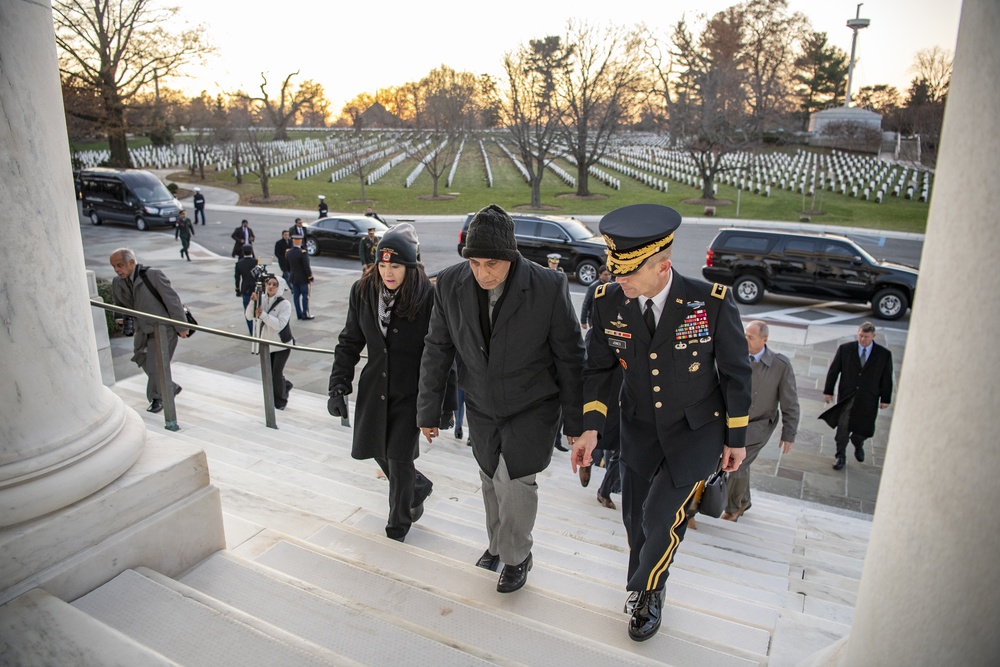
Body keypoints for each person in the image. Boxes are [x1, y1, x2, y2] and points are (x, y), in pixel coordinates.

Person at [572, 203, 751, 642]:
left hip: (696, 431)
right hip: (638, 428)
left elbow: (735, 373)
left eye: (628, 273)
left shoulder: (708, 305)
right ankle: (647, 582)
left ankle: (647, 594)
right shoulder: (607, 303)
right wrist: (591, 428)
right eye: (615, 270)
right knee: (636, 522)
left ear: (662, 266)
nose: (618, 280)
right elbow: (598, 369)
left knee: (659, 516)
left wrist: (737, 439)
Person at [416, 204, 585, 595]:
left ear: (510, 256)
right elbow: (436, 349)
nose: (483, 273)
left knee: (516, 479)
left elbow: (571, 357)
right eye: (474, 263)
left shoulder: (548, 286)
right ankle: (496, 545)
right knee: (491, 477)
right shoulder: (451, 285)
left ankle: (516, 556)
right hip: (481, 403)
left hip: (534, 403)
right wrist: (429, 410)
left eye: (491, 263)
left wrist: (576, 424)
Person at [327, 224, 441, 542]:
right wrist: (338, 385)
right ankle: (418, 488)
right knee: (377, 449)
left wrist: (438, 407)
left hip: (411, 392)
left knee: (400, 459)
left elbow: (440, 353)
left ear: (410, 265)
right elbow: (349, 341)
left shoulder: (427, 296)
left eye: (396, 266)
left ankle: (397, 526)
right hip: (375, 387)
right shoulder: (363, 292)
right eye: (383, 264)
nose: (388, 273)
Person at [724, 320, 799, 521]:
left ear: (764, 340)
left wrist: (788, 434)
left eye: (750, 337)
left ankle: (733, 509)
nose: (745, 339)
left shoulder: (780, 365)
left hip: (758, 426)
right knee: (739, 462)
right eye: (745, 335)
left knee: (737, 463)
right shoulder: (734, 355)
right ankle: (744, 500)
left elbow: (790, 402)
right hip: (732, 422)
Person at [109, 248, 190, 413]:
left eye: (120, 265)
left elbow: (172, 300)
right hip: (142, 329)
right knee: (141, 359)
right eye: (114, 266)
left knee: (156, 366)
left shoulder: (153, 275)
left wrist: (181, 327)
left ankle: (157, 398)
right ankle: (171, 386)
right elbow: (119, 304)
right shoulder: (118, 282)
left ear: (131, 262)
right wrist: (120, 318)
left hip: (163, 329)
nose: (117, 270)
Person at [822, 322, 893, 471]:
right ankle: (840, 456)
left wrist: (885, 398)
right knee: (842, 428)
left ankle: (857, 441)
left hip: (868, 398)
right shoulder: (845, 349)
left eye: (866, 337)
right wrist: (828, 391)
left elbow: (886, 377)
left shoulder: (883, 355)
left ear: (873, 336)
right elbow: (834, 371)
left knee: (865, 428)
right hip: (847, 397)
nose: (862, 339)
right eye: (860, 336)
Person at [247, 274, 294, 410]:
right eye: (269, 283)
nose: (271, 286)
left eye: (274, 284)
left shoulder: (285, 304)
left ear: (279, 287)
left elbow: (279, 324)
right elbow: (249, 316)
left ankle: (280, 402)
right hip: (266, 342)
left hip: (281, 344)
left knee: (276, 373)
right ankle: (285, 386)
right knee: (270, 373)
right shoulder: (261, 299)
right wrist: (252, 302)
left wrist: (263, 315)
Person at [286, 235, 314, 320]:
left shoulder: (288, 252)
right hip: (303, 278)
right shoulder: (303, 253)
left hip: (293, 278)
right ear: (300, 242)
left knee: (296, 297)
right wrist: (310, 277)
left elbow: (288, 266)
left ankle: (299, 314)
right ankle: (305, 314)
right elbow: (306, 267)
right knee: (305, 296)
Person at [235, 244, 258, 335]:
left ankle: (251, 330)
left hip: (246, 289)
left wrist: (237, 289)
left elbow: (237, 278)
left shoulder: (239, 263)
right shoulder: (256, 262)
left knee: (247, 310)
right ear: (252, 251)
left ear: (243, 252)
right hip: (256, 289)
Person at [580, 265, 613, 329]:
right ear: (600, 275)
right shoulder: (593, 287)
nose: (608, 277)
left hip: (607, 318)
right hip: (594, 318)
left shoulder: (612, 286)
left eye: (609, 274)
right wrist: (583, 321)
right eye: (605, 275)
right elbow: (586, 304)